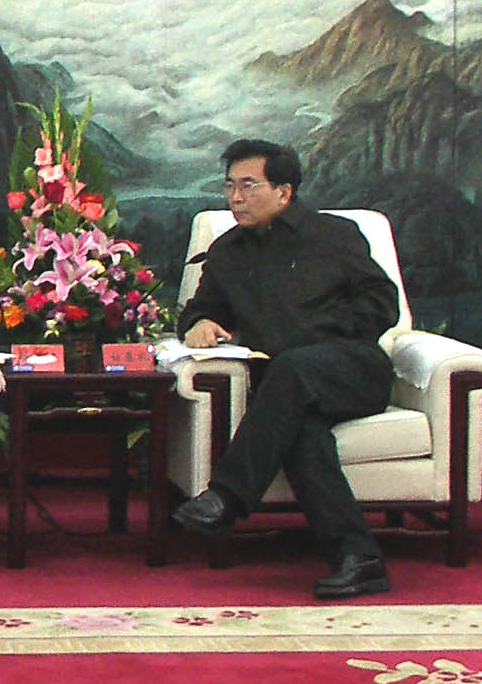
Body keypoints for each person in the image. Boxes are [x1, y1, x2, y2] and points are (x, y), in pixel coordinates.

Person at [170, 139, 400, 598]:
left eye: (249, 186)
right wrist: (199, 324)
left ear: (284, 191)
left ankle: (228, 495)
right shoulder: (227, 251)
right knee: (303, 434)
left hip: (351, 369)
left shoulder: (334, 235)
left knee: (293, 365)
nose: (236, 198)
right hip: (285, 388)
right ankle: (359, 558)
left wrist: (317, 333)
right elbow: (198, 310)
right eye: (229, 186)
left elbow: (382, 305)